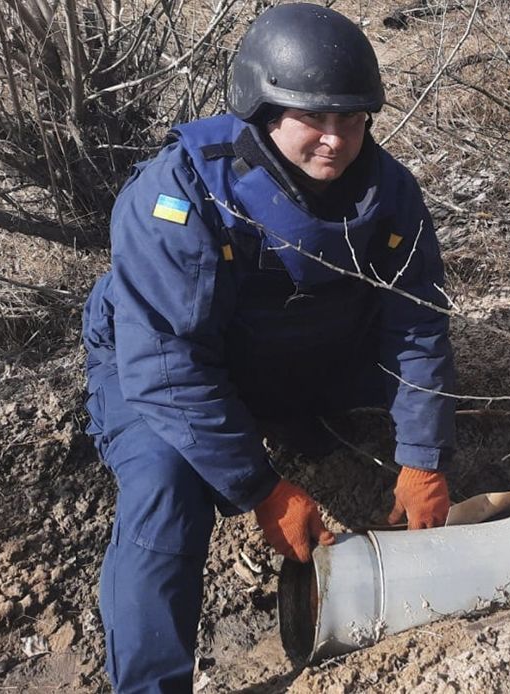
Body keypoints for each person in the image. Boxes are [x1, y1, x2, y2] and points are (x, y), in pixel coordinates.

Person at [81, 4, 456, 690]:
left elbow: (417, 323)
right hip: (159, 364)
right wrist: (261, 489)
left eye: (352, 118)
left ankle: (300, 419)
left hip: (298, 346)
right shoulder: (179, 194)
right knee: (165, 484)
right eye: (314, 117)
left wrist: (423, 458)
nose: (336, 139)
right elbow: (168, 366)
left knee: (412, 406)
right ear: (262, 109)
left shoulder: (389, 191)